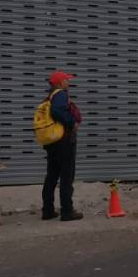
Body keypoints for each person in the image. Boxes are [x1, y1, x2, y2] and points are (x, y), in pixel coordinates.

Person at [42, 71, 84, 221]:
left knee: (52, 176)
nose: (68, 82)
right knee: (66, 177)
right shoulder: (60, 94)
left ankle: (47, 211)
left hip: (53, 142)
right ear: (60, 83)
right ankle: (67, 211)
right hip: (64, 142)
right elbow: (57, 111)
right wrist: (72, 123)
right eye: (66, 80)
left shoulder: (50, 96)